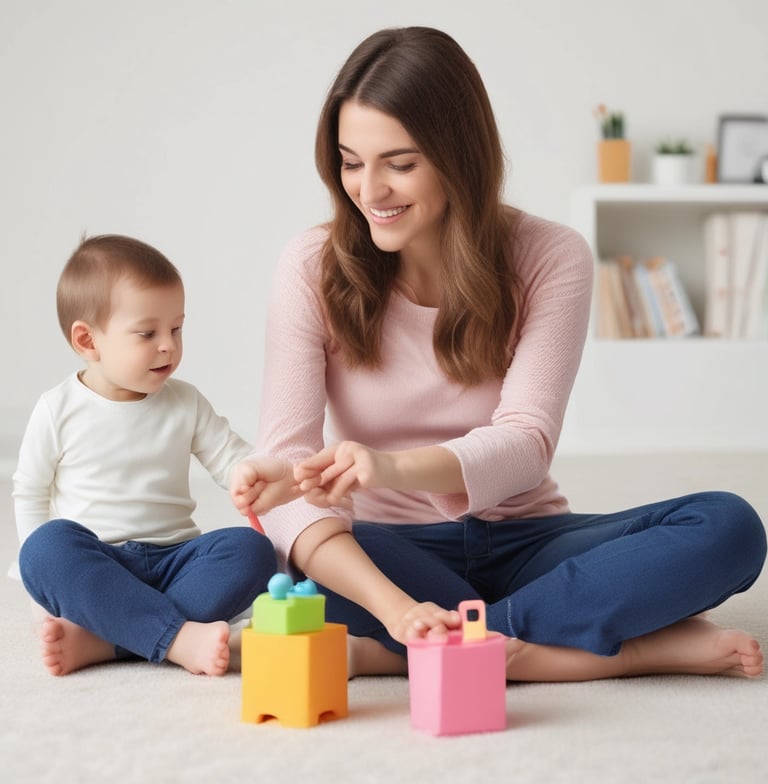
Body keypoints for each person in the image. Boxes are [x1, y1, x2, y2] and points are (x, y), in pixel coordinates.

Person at [231, 26, 766, 681]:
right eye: (350, 161)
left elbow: (526, 443)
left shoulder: (550, 255)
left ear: (459, 155)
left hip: (527, 539)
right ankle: (604, 651)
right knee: (267, 557)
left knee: (728, 526)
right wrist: (393, 604)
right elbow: (287, 473)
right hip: (388, 547)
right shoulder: (311, 265)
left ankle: (441, 647)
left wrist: (387, 466)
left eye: (399, 163)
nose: (369, 191)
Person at [13, 234, 295, 677]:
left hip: (175, 560)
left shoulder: (184, 401)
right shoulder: (57, 409)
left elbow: (230, 457)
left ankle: (110, 641)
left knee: (253, 550)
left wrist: (248, 473)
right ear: (88, 341)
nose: (168, 345)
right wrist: (39, 596)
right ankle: (177, 637)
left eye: (176, 329)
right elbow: (29, 494)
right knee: (43, 550)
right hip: (99, 564)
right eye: (148, 333)